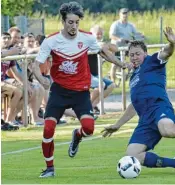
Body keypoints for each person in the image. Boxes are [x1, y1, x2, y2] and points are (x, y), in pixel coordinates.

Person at [101, 27, 175, 173]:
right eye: (131, 55)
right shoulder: (133, 77)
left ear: (145, 53)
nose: (134, 57)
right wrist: (117, 125)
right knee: (133, 155)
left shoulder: (152, 61)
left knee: (168, 130)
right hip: (145, 119)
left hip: (159, 108)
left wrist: (172, 44)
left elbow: (167, 52)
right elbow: (134, 106)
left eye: (137, 54)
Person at [33, 2, 125, 178]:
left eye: (76, 22)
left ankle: (77, 135)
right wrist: (42, 80)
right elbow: (36, 65)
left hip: (81, 92)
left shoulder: (87, 38)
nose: (74, 26)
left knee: (89, 128)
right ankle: (49, 168)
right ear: (63, 21)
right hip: (59, 91)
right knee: (48, 128)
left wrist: (121, 64)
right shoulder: (51, 40)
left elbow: (104, 52)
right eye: (70, 22)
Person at [109, 8, 144, 85]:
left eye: (126, 13)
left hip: (126, 47)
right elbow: (111, 35)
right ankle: (113, 82)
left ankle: (129, 77)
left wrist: (140, 35)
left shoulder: (130, 25)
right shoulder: (115, 24)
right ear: (120, 14)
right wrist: (120, 39)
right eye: (123, 13)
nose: (125, 15)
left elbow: (135, 34)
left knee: (134, 60)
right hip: (117, 47)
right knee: (114, 64)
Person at [89, 25, 116, 114]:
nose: (99, 36)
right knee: (101, 84)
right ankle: (87, 106)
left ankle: (93, 106)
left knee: (111, 85)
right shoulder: (87, 43)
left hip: (95, 74)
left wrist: (107, 45)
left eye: (101, 34)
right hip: (86, 74)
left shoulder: (101, 43)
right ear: (91, 34)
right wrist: (103, 46)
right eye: (97, 34)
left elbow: (116, 48)